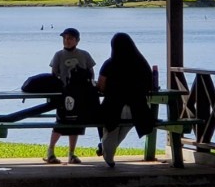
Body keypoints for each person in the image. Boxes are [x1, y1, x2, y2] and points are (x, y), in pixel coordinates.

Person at [95, 32, 156, 168]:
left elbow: (101, 86)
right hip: (137, 109)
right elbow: (150, 85)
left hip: (113, 106)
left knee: (110, 131)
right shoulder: (142, 63)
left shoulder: (110, 64)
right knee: (122, 130)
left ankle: (108, 156)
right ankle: (106, 151)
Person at [45, 27, 95, 164]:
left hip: (80, 95)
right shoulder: (58, 55)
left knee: (76, 124)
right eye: (65, 38)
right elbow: (54, 75)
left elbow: (91, 72)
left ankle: (72, 154)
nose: (67, 41)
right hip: (64, 94)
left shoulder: (84, 55)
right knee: (60, 123)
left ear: (77, 41)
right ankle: (50, 152)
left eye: (70, 38)